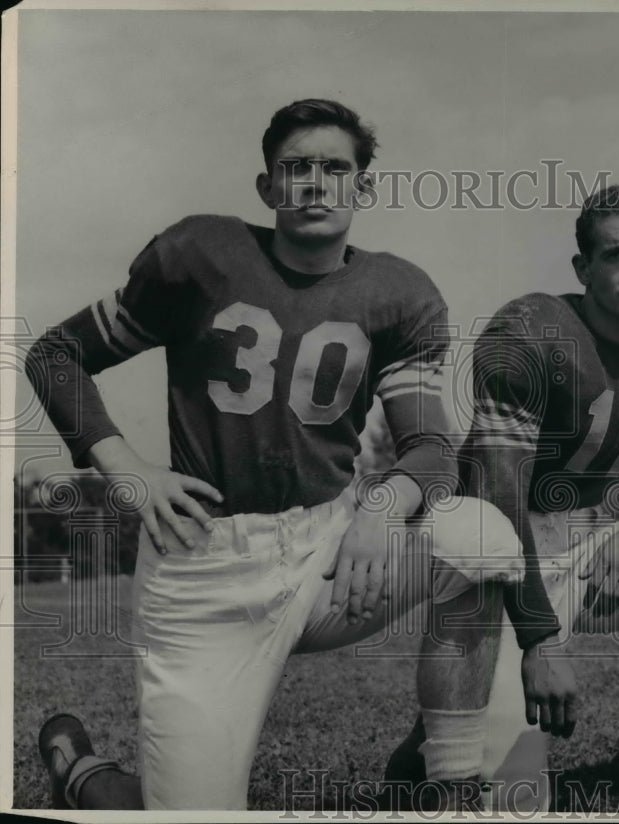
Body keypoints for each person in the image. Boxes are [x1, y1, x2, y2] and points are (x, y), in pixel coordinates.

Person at [29, 98, 520, 811]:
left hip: (326, 557)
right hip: (204, 568)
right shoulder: (199, 255)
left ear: (362, 187)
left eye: (334, 168)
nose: (315, 183)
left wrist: (382, 511)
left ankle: (447, 779)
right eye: (295, 168)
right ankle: (81, 771)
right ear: (267, 188)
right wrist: (125, 468)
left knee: (481, 540)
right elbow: (57, 354)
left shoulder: (399, 293)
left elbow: (430, 449)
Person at [387, 183, 619, 813]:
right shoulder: (532, 329)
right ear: (582, 267)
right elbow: (499, 489)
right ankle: (445, 778)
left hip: (600, 543)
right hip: (510, 548)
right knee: (509, 784)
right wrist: (540, 640)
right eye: (615, 255)